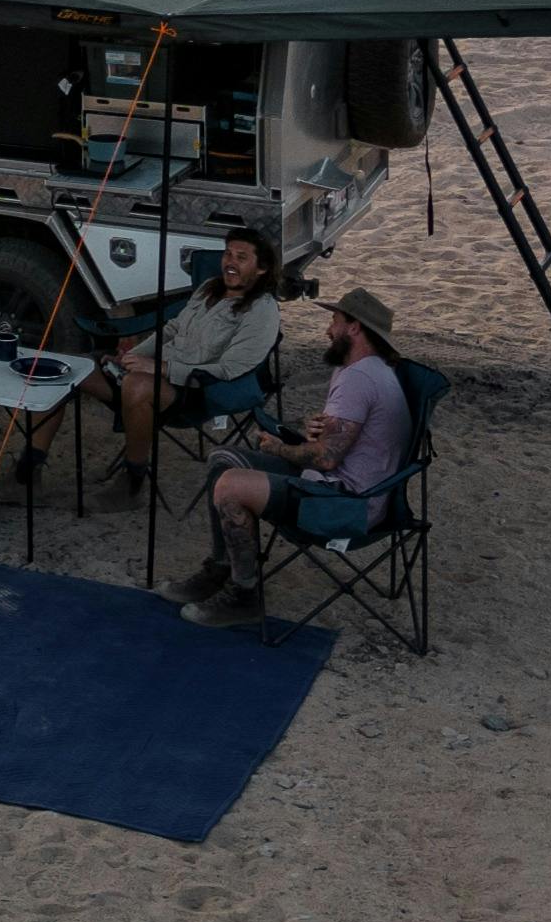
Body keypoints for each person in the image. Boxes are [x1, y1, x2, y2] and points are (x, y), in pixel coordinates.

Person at [176, 284, 414, 629]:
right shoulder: (363, 370)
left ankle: (244, 596)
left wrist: (279, 448)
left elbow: (326, 459)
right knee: (224, 458)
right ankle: (222, 569)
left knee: (230, 486)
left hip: (345, 504)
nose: (327, 330)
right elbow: (341, 442)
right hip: (341, 487)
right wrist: (312, 431)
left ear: (354, 327)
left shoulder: (360, 378)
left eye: (334, 320)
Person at [104, 229, 281, 485]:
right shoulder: (210, 287)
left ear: (261, 268)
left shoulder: (261, 309)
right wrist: (130, 357)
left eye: (241, 257)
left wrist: (161, 368)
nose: (230, 262)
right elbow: (172, 329)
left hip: (198, 391)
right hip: (157, 372)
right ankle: (32, 469)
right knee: (76, 370)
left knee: (138, 385)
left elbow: (230, 369)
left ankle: (132, 479)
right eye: (228, 254)